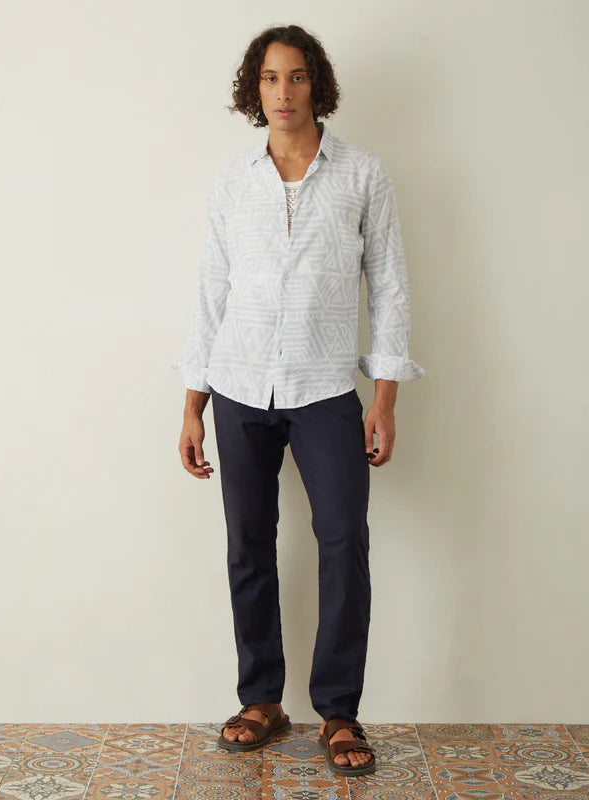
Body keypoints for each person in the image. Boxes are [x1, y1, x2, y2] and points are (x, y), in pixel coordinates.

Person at [171, 24, 425, 777]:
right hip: (239, 385)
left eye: (298, 76)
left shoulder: (363, 175)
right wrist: (192, 405)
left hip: (325, 388)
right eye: (271, 78)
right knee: (248, 543)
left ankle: (339, 710)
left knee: (344, 539)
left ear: (318, 84)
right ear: (255, 89)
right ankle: (262, 700)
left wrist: (385, 399)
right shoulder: (232, 183)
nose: (284, 92)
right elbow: (210, 294)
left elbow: (390, 288)